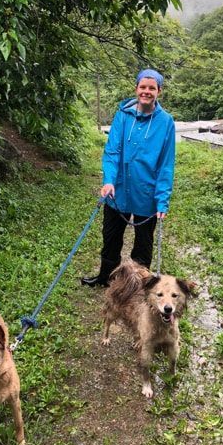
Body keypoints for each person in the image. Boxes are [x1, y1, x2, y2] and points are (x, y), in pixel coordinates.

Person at [82, 68, 175, 287]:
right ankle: (106, 277)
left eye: (152, 88)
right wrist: (109, 181)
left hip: (147, 192)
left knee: (143, 244)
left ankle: (137, 286)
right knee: (111, 237)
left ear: (158, 91)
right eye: (143, 87)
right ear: (136, 88)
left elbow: (166, 164)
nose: (146, 91)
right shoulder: (123, 115)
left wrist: (162, 199)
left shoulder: (166, 122)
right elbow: (112, 150)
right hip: (119, 190)